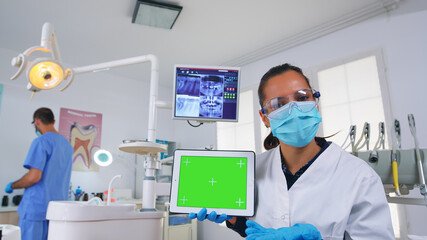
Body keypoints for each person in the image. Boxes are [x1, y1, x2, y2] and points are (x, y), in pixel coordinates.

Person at [189, 63, 394, 239]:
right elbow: (254, 229)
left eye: (302, 98)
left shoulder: (359, 177)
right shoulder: (252, 169)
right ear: (265, 118)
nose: (294, 108)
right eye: (279, 104)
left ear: (315, 103)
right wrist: (234, 218)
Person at [4, 107, 74, 240]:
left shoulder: (41, 142)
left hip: (36, 210)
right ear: (53, 121)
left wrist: (12, 185)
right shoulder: (67, 146)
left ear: (36, 121)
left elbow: (33, 177)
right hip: (56, 211)